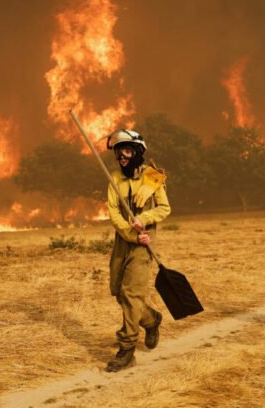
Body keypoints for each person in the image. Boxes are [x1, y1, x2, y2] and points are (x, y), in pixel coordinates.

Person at [104, 129, 171, 372]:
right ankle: (152, 320)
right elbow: (114, 214)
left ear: (137, 152)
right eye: (119, 152)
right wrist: (131, 233)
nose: (122, 156)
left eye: (127, 151)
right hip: (125, 241)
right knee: (119, 293)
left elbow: (164, 208)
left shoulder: (153, 178)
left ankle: (127, 349)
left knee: (131, 294)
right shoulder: (113, 179)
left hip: (145, 244)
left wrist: (145, 218)